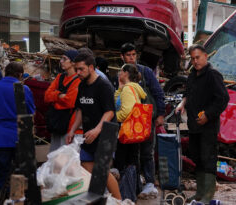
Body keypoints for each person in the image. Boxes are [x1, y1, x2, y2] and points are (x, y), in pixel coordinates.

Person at [175, 44, 229, 204]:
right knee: (197, 157)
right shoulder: (192, 75)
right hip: (194, 125)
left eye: (197, 57)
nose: (195, 61)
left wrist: (208, 114)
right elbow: (187, 93)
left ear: (205, 56)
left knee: (208, 159)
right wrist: (182, 103)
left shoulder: (213, 75)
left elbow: (223, 99)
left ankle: (208, 194)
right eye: (192, 58)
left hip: (208, 126)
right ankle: (199, 193)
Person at [65, 53, 121, 199]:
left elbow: (109, 112)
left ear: (91, 67)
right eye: (76, 69)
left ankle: (120, 201)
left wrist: (97, 130)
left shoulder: (104, 85)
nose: (78, 73)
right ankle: (101, 197)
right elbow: (80, 110)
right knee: (85, 165)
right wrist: (72, 130)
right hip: (88, 135)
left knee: (102, 171)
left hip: (105, 135)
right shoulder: (82, 85)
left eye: (81, 69)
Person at [0, 62, 35, 192]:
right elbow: (31, 112)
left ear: (5, 72)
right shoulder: (24, 89)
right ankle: (16, 197)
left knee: (2, 172)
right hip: (19, 136)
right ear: (20, 74)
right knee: (19, 171)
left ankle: (0, 196)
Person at [120, 43, 165, 197]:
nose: (132, 58)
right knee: (132, 153)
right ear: (122, 57)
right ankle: (136, 181)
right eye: (128, 55)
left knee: (147, 151)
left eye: (133, 54)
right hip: (128, 121)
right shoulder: (121, 74)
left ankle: (150, 183)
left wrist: (160, 114)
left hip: (145, 119)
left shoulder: (145, 72)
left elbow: (158, 93)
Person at [114, 64, 147, 200]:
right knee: (131, 160)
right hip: (133, 131)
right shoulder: (130, 88)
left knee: (123, 162)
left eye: (120, 71)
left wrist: (114, 117)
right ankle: (130, 192)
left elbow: (127, 111)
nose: (118, 74)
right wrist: (119, 88)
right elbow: (117, 101)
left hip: (125, 131)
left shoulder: (128, 89)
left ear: (126, 73)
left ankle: (126, 194)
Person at [44, 50, 81, 152]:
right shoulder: (60, 77)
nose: (61, 61)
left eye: (64, 59)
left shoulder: (78, 80)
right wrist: (59, 95)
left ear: (73, 62)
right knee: (54, 157)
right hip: (56, 123)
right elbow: (46, 96)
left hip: (69, 126)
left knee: (65, 159)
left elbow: (70, 102)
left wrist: (54, 98)